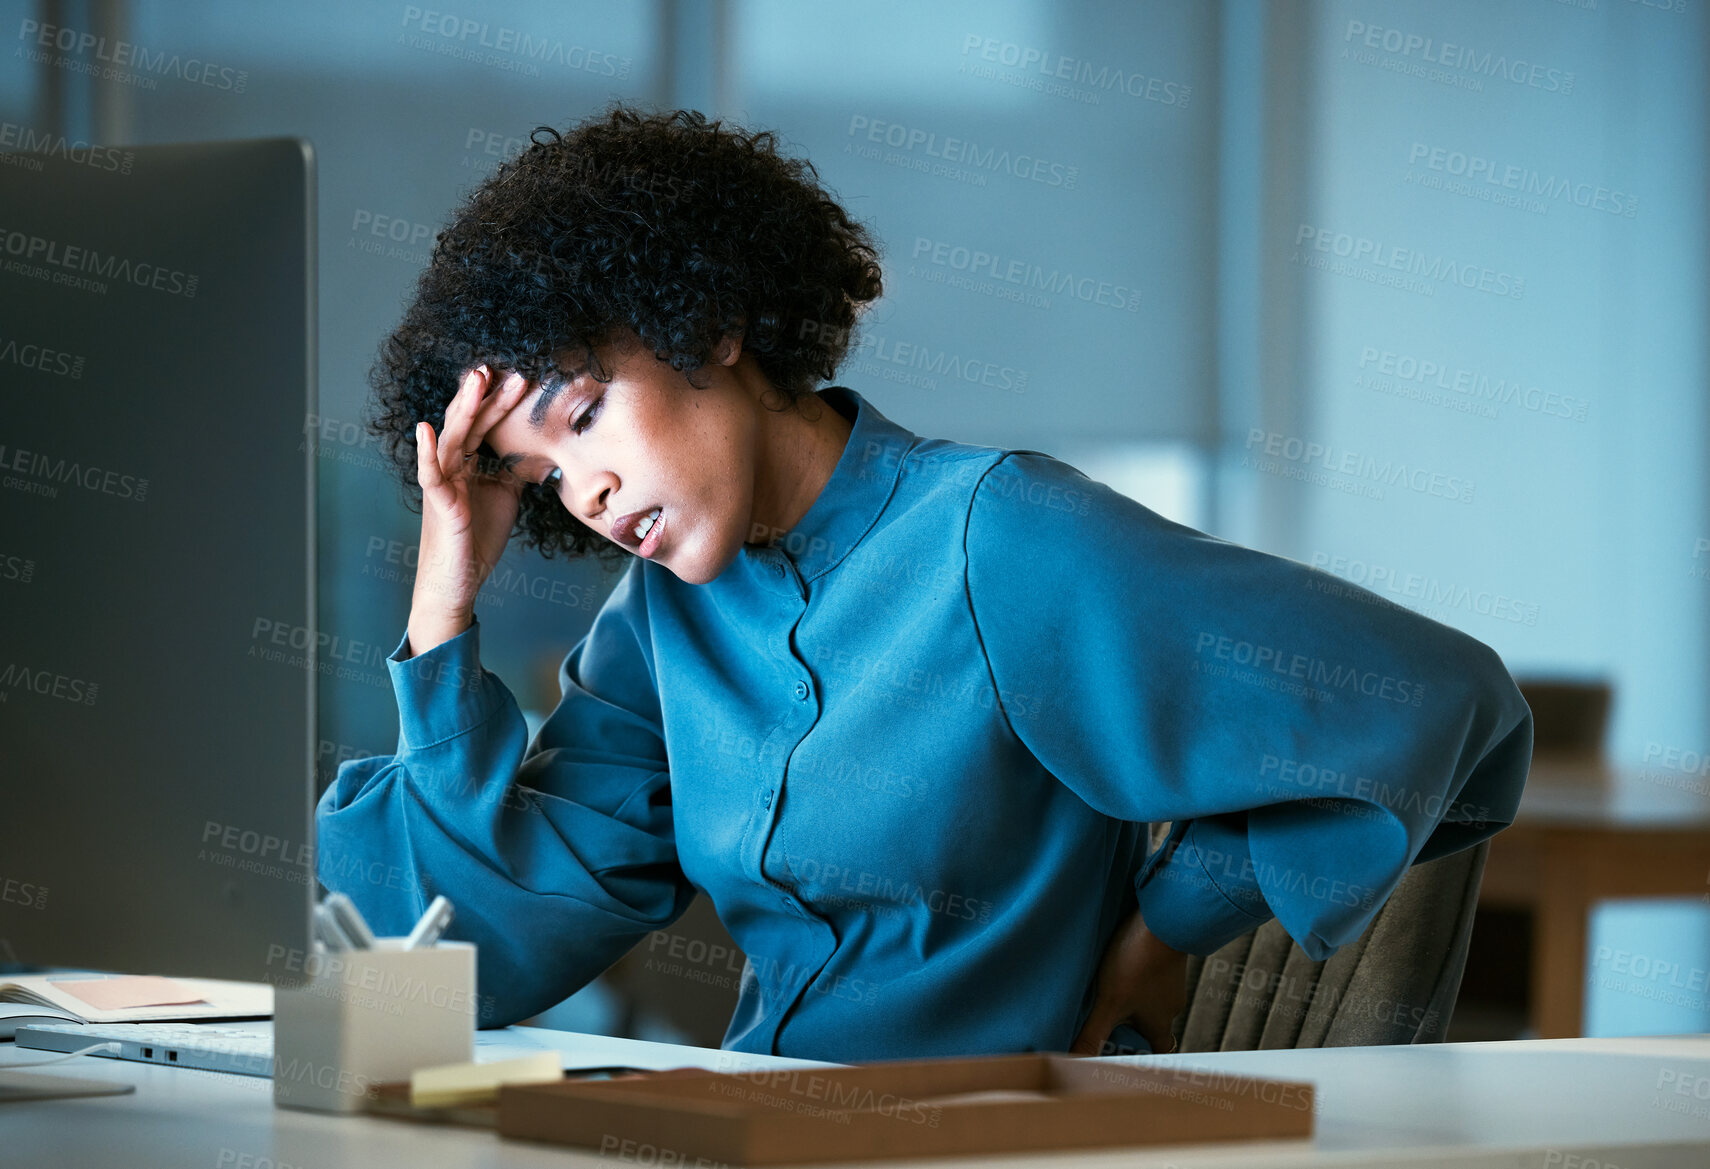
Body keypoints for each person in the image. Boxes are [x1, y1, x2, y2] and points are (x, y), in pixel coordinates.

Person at [316, 101, 1534, 1062]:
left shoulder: (998, 538)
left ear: (708, 323)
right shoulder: (662, 620)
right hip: (762, 1125)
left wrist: (1167, 930)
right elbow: (470, 946)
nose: (580, 489)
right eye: (539, 477)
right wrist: (444, 608)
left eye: (582, 415)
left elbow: (1433, 698)